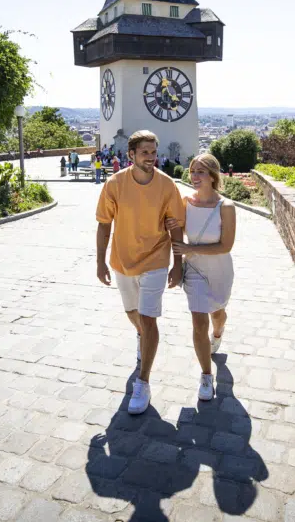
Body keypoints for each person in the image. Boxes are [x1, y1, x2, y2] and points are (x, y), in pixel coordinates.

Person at [96, 130, 185, 414]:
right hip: (122, 260)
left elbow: (175, 226)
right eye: (144, 152)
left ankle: (143, 382)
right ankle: (142, 339)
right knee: (132, 314)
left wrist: (178, 264)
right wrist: (100, 261)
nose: (150, 157)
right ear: (131, 154)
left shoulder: (167, 186)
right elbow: (104, 223)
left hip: (156, 260)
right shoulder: (114, 184)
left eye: (153, 152)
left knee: (149, 320)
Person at [166, 153, 236, 401]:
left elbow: (226, 245)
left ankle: (219, 333)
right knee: (198, 322)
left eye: (200, 172)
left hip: (219, 270)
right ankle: (207, 376)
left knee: (217, 313)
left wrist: (191, 249)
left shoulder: (225, 206)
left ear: (213, 176)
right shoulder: (185, 202)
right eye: (192, 171)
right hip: (194, 270)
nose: (194, 177)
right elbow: (176, 230)